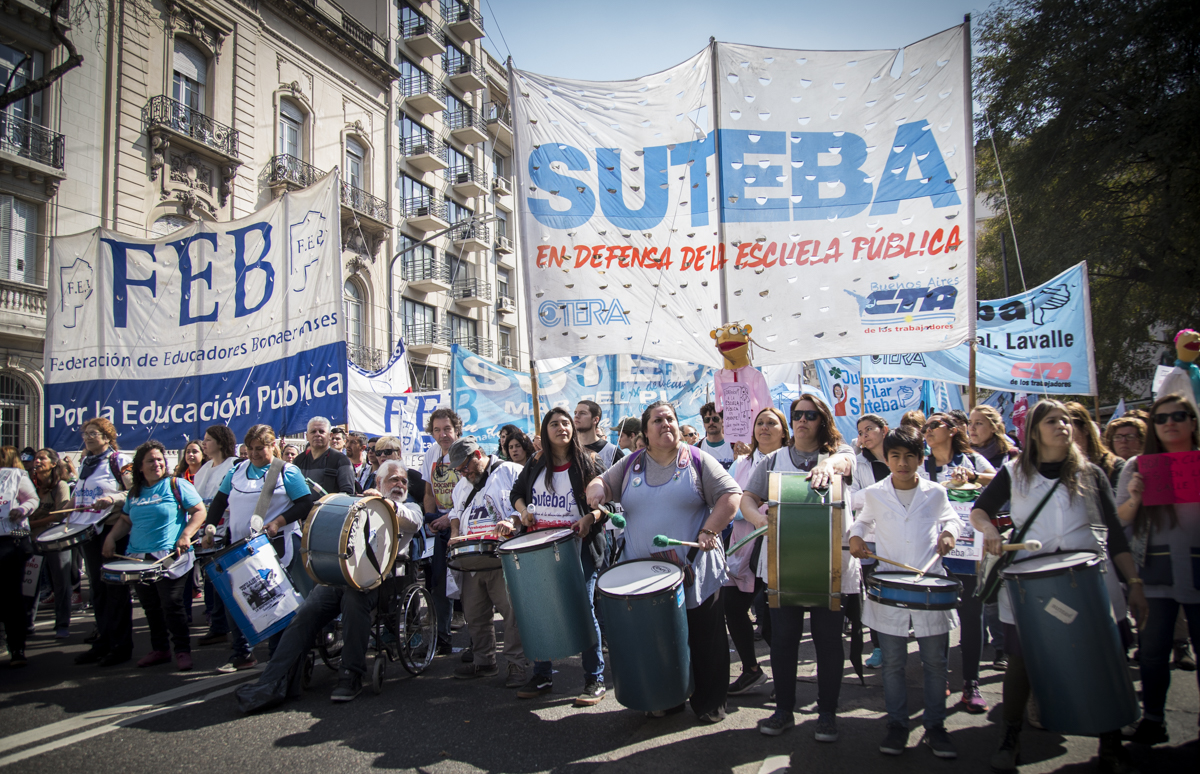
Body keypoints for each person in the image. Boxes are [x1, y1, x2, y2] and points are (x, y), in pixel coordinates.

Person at [969, 399, 1148, 774]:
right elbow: (980, 510)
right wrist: (989, 532)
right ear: (1034, 431)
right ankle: (1010, 737)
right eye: (1052, 421)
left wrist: (1133, 581)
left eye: (1066, 420)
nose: (1063, 426)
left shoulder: (1090, 473)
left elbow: (1115, 535)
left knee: (1103, 658)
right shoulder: (1014, 472)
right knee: (1021, 662)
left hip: (1089, 580)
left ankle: (1111, 742)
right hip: (1029, 585)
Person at [586, 401, 741, 724]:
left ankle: (710, 702)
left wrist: (709, 530)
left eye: (670, 418)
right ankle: (668, 697)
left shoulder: (697, 459)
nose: (665, 424)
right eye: (657, 420)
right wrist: (596, 491)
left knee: (704, 638)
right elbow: (601, 483)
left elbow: (731, 495)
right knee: (659, 640)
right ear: (645, 432)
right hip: (647, 576)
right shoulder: (631, 464)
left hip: (694, 569)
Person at [236, 459, 424, 710]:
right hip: (341, 576)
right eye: (394, 480)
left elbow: (414, 521)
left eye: (403, 481)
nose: (400, 484)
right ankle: (275, 680)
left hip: (381, 583)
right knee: (306, 612)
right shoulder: (359, 504)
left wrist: (384, 502)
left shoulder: (410, 507)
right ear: (379, 481)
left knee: (354, 601)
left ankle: (351, 675)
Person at [740, 393, 855, 741]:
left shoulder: (840, 453)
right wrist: (757, 517)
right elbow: (747, 498)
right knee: (784, 641)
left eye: (810, 415)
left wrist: (828, 465)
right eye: (797, 415)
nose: (802, 420)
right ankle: (783, 711)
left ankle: (827, 713)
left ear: (823, 420)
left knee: (828, 642)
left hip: (830, 567)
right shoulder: (773, 459)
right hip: (782, 564)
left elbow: (846, 461)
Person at [850, 427, 961, 758]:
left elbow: (952, 519)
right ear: (886, 459)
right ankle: (897, 724)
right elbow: (862, 523)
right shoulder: (875, 493)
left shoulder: (936, 492)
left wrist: (950, 533)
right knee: (894, 663)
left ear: (920, 459)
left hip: (930, 586)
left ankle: (936, 726)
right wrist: (856, 537)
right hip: (891, 588)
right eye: (895, 456)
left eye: (909, 457)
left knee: (935, 663)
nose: (902, 463)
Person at [510, 408, 611, 704]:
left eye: (566, 423)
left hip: (579, 549)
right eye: (554, 424)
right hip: (539, 550)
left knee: (583, 609)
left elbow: (608, 505)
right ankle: (542, 674)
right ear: (546, 430)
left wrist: (589, 518)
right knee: (540, 610)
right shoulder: (536, 461)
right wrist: (523, 512)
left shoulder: (589, 461)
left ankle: (594, 679)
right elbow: (517, 493)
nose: (561, 428)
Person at [1116, 392, 1199, 746]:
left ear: (1192, 422)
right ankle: (1153, 719)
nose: (1169, 423)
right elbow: (1119, 521)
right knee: (1151, 653)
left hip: (1196, 570)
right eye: (1161, 418)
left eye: (1178, 416)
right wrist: (1136, 498)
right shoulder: (1138, 466)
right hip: (1155, 573)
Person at [205, 425, 317, 670]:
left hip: (275, 547)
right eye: (250, 448)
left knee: (275, 603)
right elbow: (220, 501)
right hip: (239, 548)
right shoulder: (237, 471)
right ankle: (242, 653)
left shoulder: (286, 471)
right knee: (237, 601)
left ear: (272, 446)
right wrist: (210, 527)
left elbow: (305, 503)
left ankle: (278, 657)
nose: (254, 453)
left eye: (260, 448)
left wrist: (278, 522)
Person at [101, 441, 206, 671]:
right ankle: (160, 649)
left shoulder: (176, 485)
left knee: (172, 604)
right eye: (150, 460)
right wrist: (111, 538)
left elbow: (199, 511)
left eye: (159, 459)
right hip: (139, 558)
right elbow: (125, 520)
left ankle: (182, 650)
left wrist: (186, 534)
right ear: (140, 467)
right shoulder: (135, 493)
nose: (157, 464)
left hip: (170, 557)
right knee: (151, 606)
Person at [921, 411, 996, 713]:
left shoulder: (972, 460)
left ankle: (971, 683)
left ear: (952, 430)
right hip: (933, 553)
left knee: (971, 617)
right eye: (924, 427)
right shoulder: (922, 464)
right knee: (937, 618)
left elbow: (1002, 481)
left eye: (933, 425)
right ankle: (938, 677)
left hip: (968, 553)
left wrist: (974, 478)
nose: (927, 431)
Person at [446, 437, 527, 687]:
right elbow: (455, 513)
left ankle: (516, 664)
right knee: (475, 612)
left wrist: (512, 521)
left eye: (465, 466)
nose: (463, 472)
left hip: (503, 555)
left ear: (478, 455)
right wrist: (454, 534)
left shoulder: (510, 471)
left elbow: (528, 500)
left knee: (512, 613)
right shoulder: (462, 485)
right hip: (471, 556)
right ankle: (484, 661)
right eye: (459, 469)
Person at [724, 406, 788, 695]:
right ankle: (751, 670)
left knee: (775, 620)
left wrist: (752, 507)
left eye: (771, 423)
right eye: (760, 422)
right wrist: (751, 511)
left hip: (779, 550)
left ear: (783, 431)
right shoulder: (741, 464)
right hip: (743, 548)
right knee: (732, 607)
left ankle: (784, 680)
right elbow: (727, 501)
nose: (764, 427)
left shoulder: (791, 463)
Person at [72, 418, 134, 667]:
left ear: (107, 437)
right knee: (98, 590)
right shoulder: (85, 463)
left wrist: (112, 499)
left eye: (93, 433)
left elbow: (135, 492)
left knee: (115, 590)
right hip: (89, 532)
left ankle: (121, 646)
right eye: (85, 434)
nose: (87, 438)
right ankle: (103, 642)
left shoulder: (119, 460)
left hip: (112, 531)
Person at [421, 408, 463, 654]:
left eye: (447, 429)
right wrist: (431, 519)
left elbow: (473, 491)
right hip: (441, 526)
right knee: (440, 584)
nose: (442, 434)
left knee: (470, 586)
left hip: (464, 525)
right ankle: (442, 639)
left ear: (456, 429)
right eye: (437, 430)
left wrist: (450, 518)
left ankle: (479, 646)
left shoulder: (465, 451)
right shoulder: (432, 454)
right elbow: (428, 492)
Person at [851, 414, 891, 670]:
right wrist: (883, 489)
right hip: (871, 538)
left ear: (884, 430)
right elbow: (852, 499)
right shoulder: (857, 463)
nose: (864, 436)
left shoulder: (901, 456)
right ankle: (878, 646)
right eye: (860, 432)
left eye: (869, 429)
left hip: (899, 538)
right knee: (874, 594)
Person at [193, 426, 238, 647]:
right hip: (207, 533)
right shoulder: (203, 470)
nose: (204, 443)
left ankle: (227, 627)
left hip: (227, 532)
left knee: (224, 582)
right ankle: (217, 624)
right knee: (211, 580)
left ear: (221, 442)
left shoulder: (235, 465)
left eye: (209, 439)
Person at [0, 446, 40, 666]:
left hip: (11, 538)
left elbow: (33, 500)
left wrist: (21, 510)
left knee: (11, 596)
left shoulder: (17, 476)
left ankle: (17, 647)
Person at [28, 448, 74, 640]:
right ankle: (27, 624)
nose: (37, 462)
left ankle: (62, 624)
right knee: (30, 582)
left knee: (61, 583)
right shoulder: (29, 483)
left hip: (56, 540)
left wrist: (32, 523)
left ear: (53, 463)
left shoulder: (60, 485)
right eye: (36, 459)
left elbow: (60, 514)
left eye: (42, 458)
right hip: (33, 541)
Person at [1064, 402, 1125, 489]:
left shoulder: (1114, 466)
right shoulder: (1058, 469)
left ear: (1085, 429)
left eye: (1069, 429)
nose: (1064, 435)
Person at [294, 417, 355, 496]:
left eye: (321, 431)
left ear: (330, 436)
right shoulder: (299, 460)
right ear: (307, 436)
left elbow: (347, 493)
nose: (317, 434)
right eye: (313, 431)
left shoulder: (341, 460)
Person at [574, 400, 624, 469]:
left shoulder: (612, 452)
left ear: (595, 420)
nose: (576, 416)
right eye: (575, 413)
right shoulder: (567, 448)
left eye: (582, 413)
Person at [697, 402, 737, 470]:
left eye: (715, 419)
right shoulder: (698, 447)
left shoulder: (735, 445)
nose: (711, 422)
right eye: (707, 419)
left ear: (723, 421)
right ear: (703, 423)